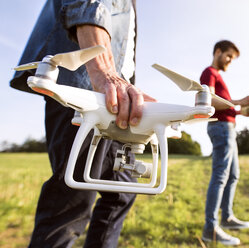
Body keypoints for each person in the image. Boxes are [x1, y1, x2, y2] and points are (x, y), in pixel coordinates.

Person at [10, 0, 155, 247]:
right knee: (74, 197)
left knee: (123, 188)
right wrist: (103, 71)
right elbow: (87, 5)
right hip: (81, 92)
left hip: (113, 103)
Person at [200, 40, 249, 246]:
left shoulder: (217, 75)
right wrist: (240, 101)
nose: (230, 61)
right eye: (229, 56)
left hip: (228, 128)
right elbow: (211, 101)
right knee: (221, 177)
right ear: (218, 52)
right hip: (220, 129)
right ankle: (210, 229)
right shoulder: (209, 72)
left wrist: (242, 111)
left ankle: (227, 218)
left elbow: (225, 106)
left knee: (233, 175)